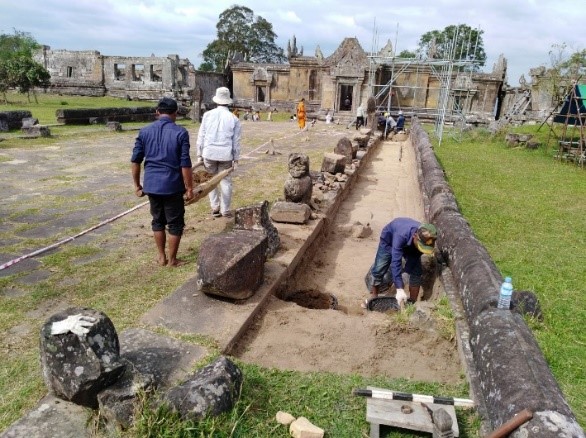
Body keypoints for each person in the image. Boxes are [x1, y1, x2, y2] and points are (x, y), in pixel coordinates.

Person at [131, 97, 194, 267]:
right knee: (175, 223)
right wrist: (189, 188)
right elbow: (185, 164)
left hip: (152, 185)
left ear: (157, 112)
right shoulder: (181, 133)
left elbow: (135, 160)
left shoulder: (144, 131)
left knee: (157, 221)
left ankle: (161, 257)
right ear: (176, 114)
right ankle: (172, 259)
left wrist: (137, 185)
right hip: (172, 185)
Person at [363, 218, 437, 309]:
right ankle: (374, 298)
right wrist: (399, 288)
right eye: (421, 246)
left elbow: (414, 257)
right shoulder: (401, 235)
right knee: (380, 267)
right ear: (415, 236)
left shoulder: (426, 240)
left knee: (416, 271)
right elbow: (395, 261)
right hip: (389, 241)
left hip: (410, 247)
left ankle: (412, 302)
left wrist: (406, 272)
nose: (421, 249)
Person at [196, 87, 241, 218]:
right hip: (225, 154)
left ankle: (215, 207)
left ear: (216, 100)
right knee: (226, 181)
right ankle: (225, 209)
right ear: (228, 101)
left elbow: (201, 136)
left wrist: (199, 154)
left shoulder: (207, 115)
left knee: (211, 181)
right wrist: (236, 158)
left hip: (209, 152)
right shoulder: (234, 119)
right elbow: (236, 142)